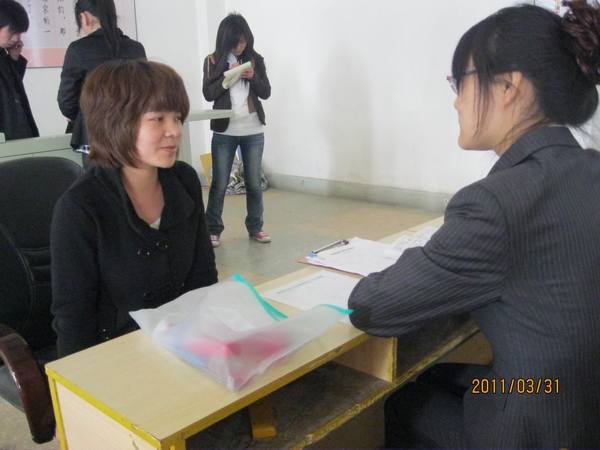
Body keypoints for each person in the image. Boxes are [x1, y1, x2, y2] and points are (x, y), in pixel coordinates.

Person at [348, 1, 600, 448]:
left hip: (535, 419)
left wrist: (425, 258)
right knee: (440, 375)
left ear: (508, 87)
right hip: (583, 404)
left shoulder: (494, 203)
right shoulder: (591, 168)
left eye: (460, 81)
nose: (456, 100)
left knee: (405, 400)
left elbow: (372, 308)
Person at [51, 59, 218, 358]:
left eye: (177, 117)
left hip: (182, 341)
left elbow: (202, 276)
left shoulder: (183, 179)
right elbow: (74, 317)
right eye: (158, 119)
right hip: (116, 353)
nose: (174, 131)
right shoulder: (81, 206)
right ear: (115, 122)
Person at [202, 12, 271, 248]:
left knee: (254, 183)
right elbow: (208, 94)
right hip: (225, 130)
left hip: (253, 128)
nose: (240, 47)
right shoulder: (213, 60)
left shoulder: (255, 60)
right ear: (225, 41)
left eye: (243, 41)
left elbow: (266, 92)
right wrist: (228, 77)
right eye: (235, 43)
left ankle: (256, 227)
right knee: (219, 183)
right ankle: (213, 230)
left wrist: (253, 77)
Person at [57, 0, 146, 169]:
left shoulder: (78, 49)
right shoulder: (135, 48)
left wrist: (80, 115)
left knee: (99, 182)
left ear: (84, 17)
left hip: (95, 134)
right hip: (132, 131)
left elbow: (67, 99)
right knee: (130, 181)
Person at [0, 0, 38, 140]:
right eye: (12, 32)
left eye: (19, 34)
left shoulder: (4, 55)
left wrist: (14, 58)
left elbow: (12, 88)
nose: (16, 38)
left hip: (16, 134)